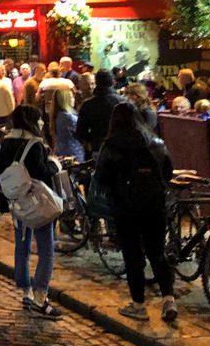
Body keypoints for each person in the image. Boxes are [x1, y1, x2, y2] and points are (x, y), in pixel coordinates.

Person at [95, 103, 178, 322]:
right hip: (154, 205)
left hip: (125, 207)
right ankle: (168, 298)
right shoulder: (156, 143)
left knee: (133, 255)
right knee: (157, 252)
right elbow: (167, 172)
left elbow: (101, 177)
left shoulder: (112, 145)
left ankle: (138, 304)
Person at [0, 105, 62, 319]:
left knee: (22, 247)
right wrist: (54, 165)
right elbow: (42, 173)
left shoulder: (6, 142)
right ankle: (41, 297)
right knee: (46, 251)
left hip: (16, 202)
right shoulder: (35, 144)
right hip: (36, 204)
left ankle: (26, 292)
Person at [76, 69, 122, 158]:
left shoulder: (88, 105)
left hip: (98, 148)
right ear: (112, 82)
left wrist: (91, 141)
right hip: (120, 148)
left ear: (96, 83)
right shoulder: (123, 102)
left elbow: (80, 131)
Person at [52, 88, 83, 161]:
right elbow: (81, 130)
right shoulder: (69, 117)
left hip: (62, 150)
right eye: (71, 97)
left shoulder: (58, 115)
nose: (73, 99)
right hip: (73, 152)